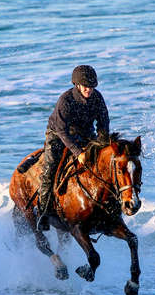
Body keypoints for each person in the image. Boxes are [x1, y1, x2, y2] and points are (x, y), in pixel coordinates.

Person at [37, 65, 110, 230]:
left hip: (85, 134)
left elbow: (103, 123)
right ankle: (43, 213)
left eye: (92, 87)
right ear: (77, 85)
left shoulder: (97, 98)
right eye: (86, 87)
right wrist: (78, 153)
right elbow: (62, 131)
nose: (89, 90)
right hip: (58, 135)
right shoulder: (66, 100)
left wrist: (104, 143)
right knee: (50, 169)